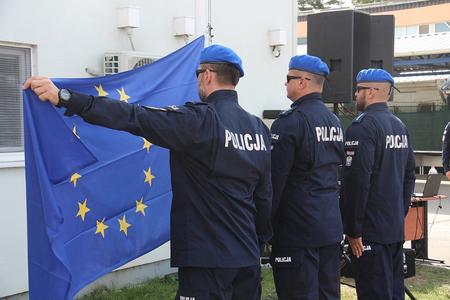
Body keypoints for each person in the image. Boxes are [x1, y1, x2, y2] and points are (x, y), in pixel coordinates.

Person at [23, 44, 272, 300]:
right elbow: (264, 196)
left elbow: (133, 116)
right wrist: (260, 242)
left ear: (207, 75)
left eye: (197, 74)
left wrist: (66, 98)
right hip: (246, 257)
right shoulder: (258, 129)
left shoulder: (198, 121)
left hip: (208, 259)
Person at [269, 54, 344, 300]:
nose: (285, 83)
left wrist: (263, 228)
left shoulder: (290, 122)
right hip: (329, 228)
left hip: (297, 232)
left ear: (302, 81)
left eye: (288, 78)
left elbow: (274, 183)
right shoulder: (333, 121)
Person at [341, 68, 416, 300]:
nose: (355, 95)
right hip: (392, 228)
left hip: (369, 233)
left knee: (374, 292)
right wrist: (398, 213)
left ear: (372, 92)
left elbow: (357, 182)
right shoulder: (399, 126)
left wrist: (353, 229)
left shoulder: (362, 127)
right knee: (393, 293)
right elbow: (409, 175)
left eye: (359, 90)